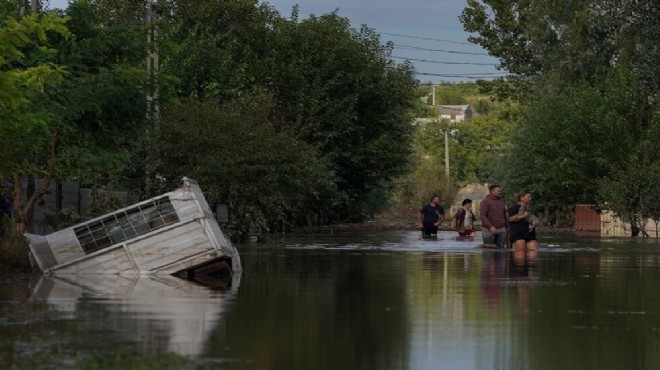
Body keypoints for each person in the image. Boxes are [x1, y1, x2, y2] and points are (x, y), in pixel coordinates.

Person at [479, 184, 508, 248]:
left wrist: (507, 227)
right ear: (492, 191)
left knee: (501, 251)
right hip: (488, 229)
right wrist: (490, 227)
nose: (500, 192)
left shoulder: (501, 202)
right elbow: (482, 216)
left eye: (501, 191)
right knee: (489, 251)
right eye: (498, 191)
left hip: (501, 229)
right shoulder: (485, 202)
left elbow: (504, 215)